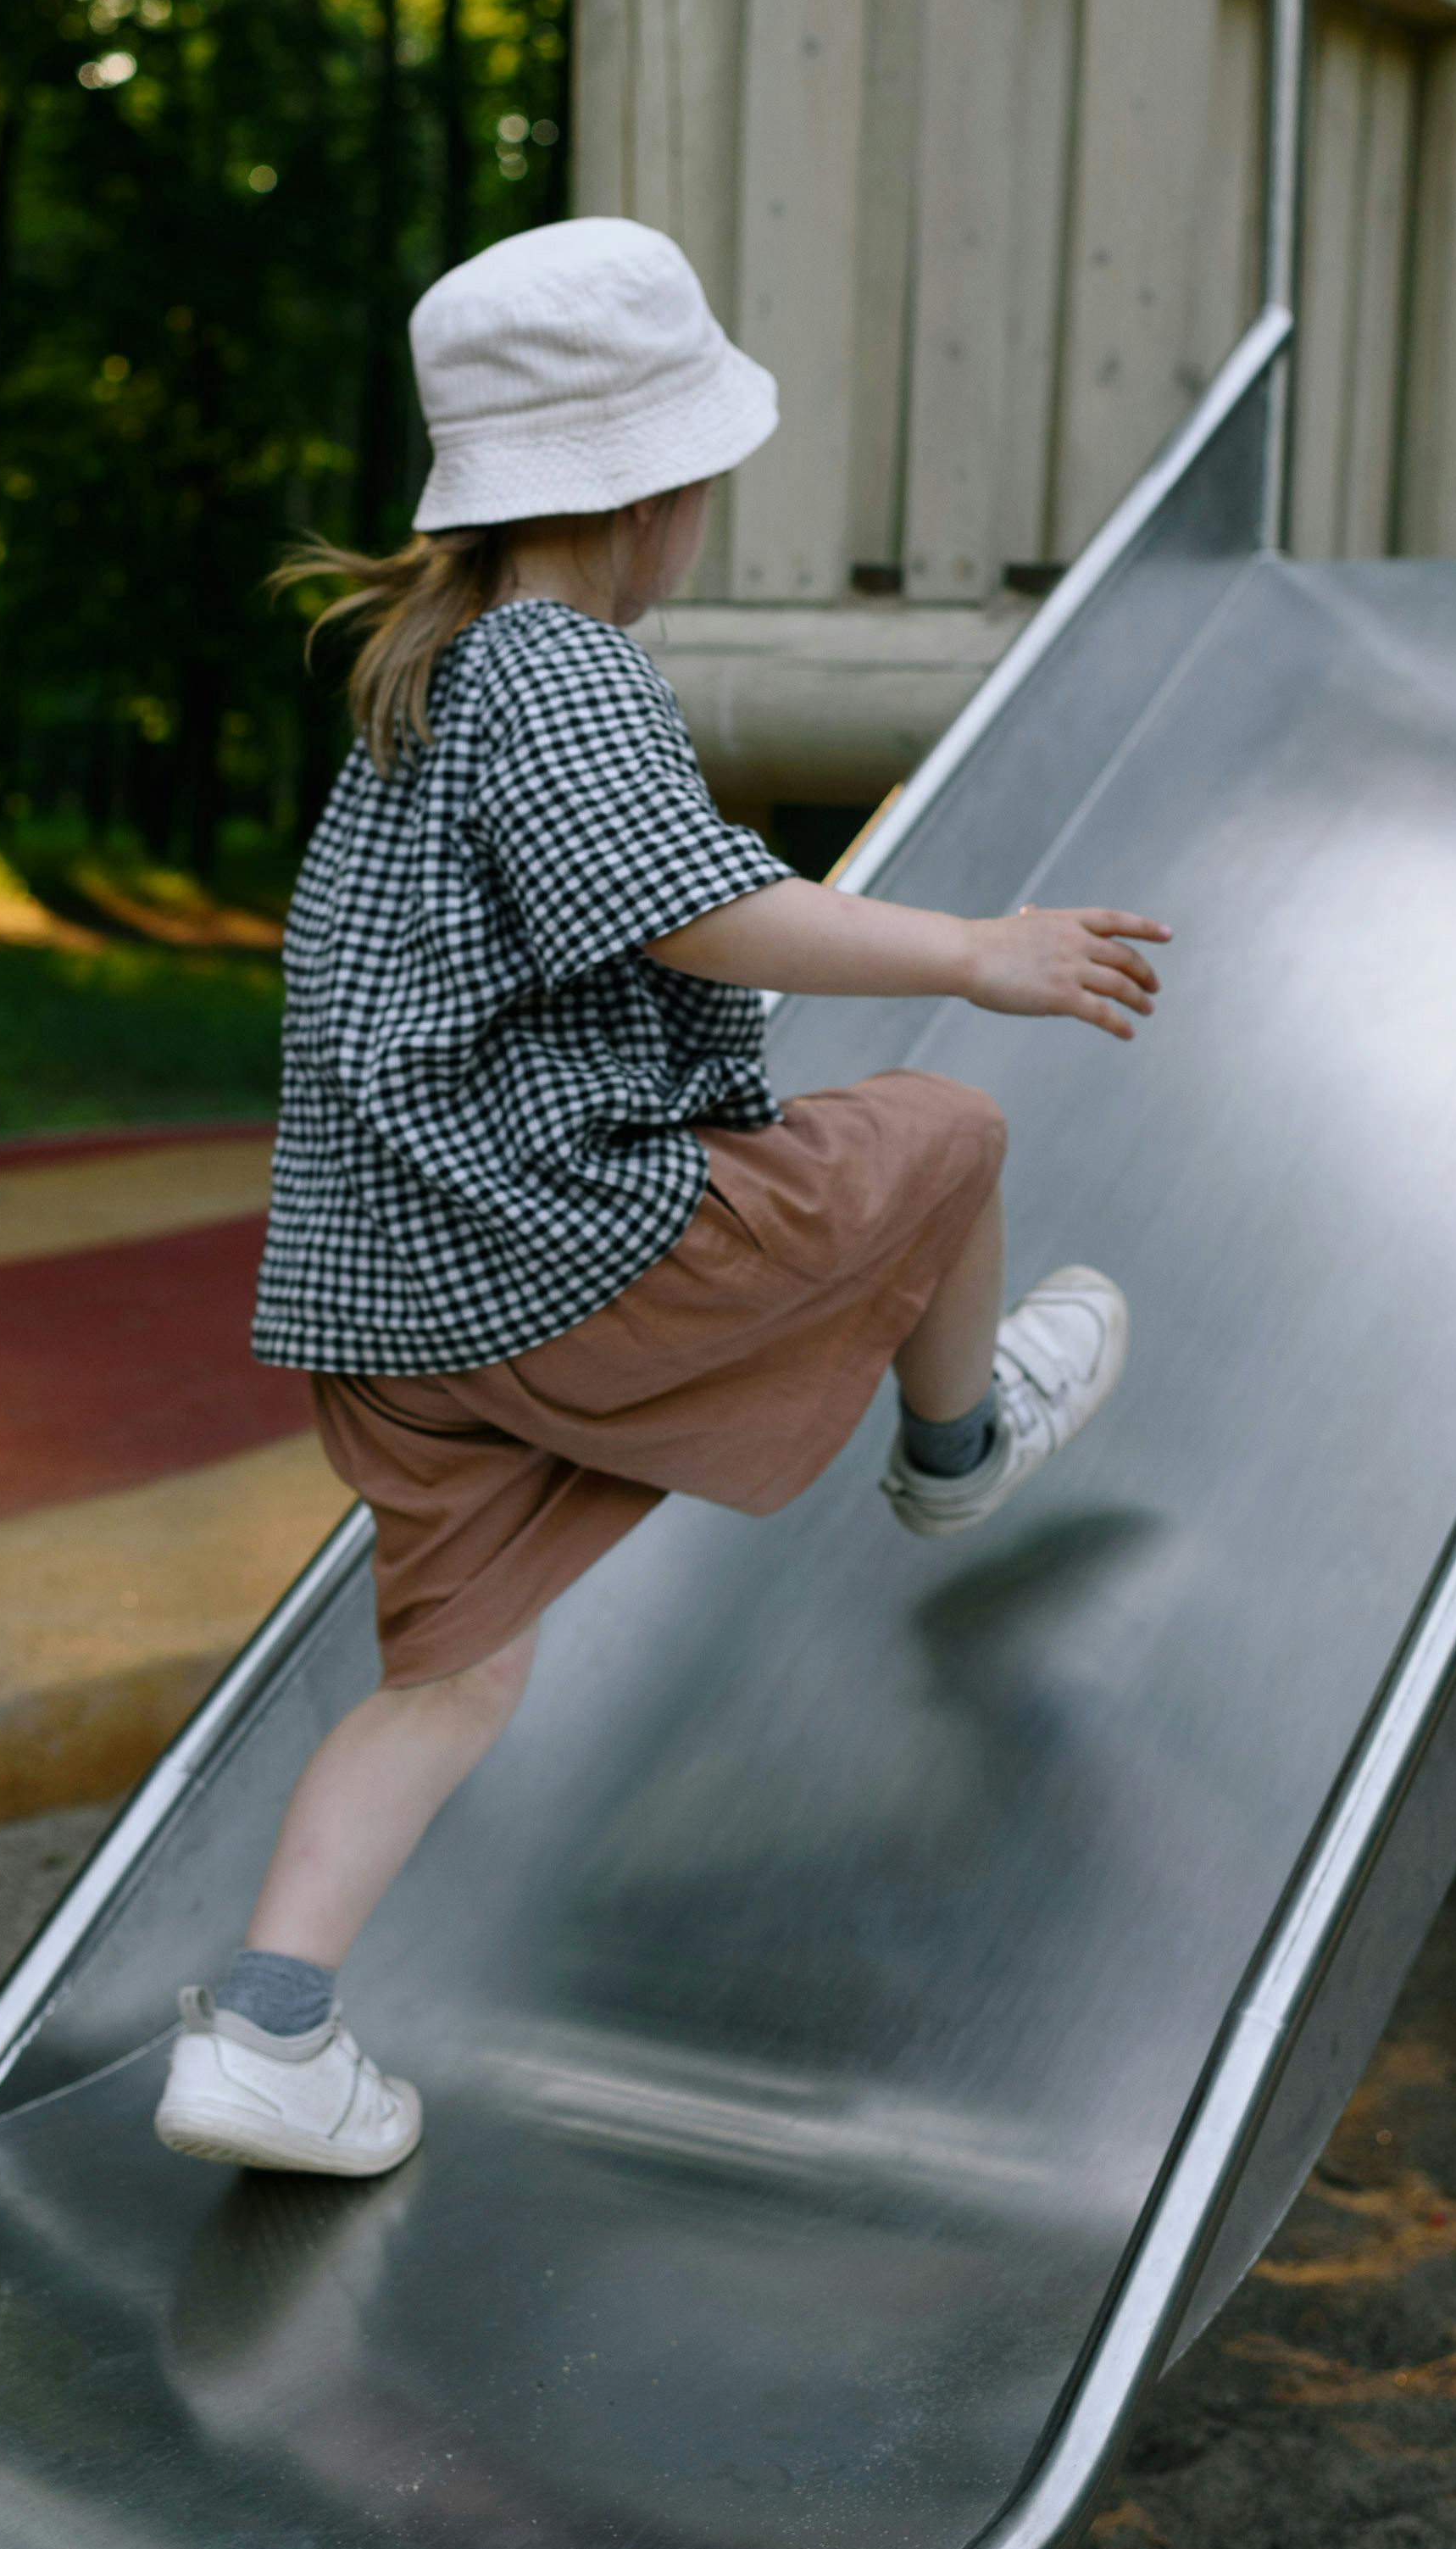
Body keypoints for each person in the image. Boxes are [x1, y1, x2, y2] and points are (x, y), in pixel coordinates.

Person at [155, 216, 1168, 2180]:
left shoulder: (427, 675)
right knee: (943, 1141)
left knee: (447, 1681)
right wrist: (976, 949)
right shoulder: (565, 669)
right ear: (652, 495)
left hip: (390, 1310)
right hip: (555, 1244)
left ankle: (272, 2030)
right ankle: (957, 1446)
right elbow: (700, 914)